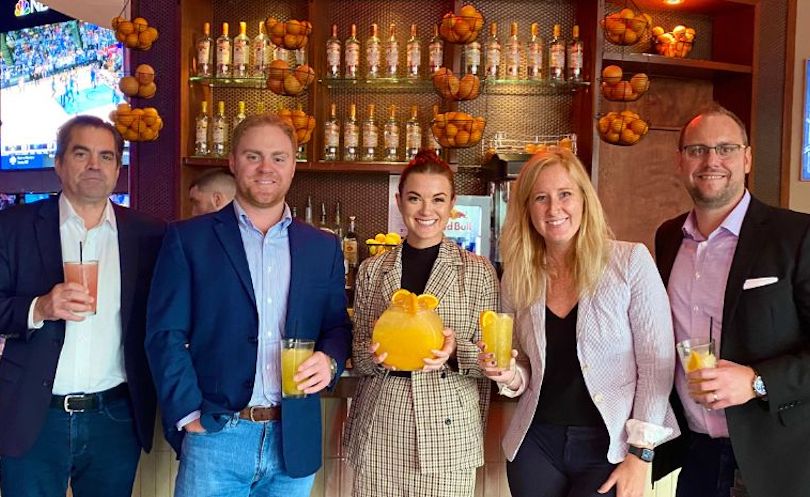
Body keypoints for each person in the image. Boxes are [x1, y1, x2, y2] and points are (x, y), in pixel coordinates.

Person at [145, 113, 352, 497]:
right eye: (253, 156)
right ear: (233, 161)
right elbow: (164, 335)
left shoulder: (322, 246)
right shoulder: (187, 239)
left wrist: (330, 361)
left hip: (294, 440)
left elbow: (336, 327)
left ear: (293, 165)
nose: (266, 168)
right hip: (217, 436)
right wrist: (189, 414)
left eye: (278, 157)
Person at [480, 149, 679, 497]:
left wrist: (641, 454)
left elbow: (656, 365)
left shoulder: (629, 262)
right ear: (527, 210)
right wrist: (508, 374)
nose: (554, 209)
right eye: (540, 198)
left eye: (565, 195)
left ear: (584, 200)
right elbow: (524, 364)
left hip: (610, 448)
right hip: (536, 445)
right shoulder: (517, 277)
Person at [0, 115, 166, 497]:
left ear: (118, 168)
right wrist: (38, 307)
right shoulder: (13, 228)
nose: (95, 165)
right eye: (81, 153)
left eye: (106, 156)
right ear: (58, 164)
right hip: (34, 416)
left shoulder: (150, 234)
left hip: (115, 416)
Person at [652, 104, 810, 497]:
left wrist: (757, 382)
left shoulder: (797, 235)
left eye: (726, 148)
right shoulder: (668, 238)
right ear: (680, 161)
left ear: (748, 157)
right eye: (697, 150)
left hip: (778, 461)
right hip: (696, 455)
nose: (711, 160)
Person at [343, 149, 499, 497]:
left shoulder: (477, 272)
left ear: (452, 204)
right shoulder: (374, 269)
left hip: (448, 429)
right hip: (381, 424)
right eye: (415, 198)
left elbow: (492, 362)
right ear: (399, 201)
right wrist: (374, 356)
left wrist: (456, 351)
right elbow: (358, 355)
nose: (426, 211)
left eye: (438, 199)